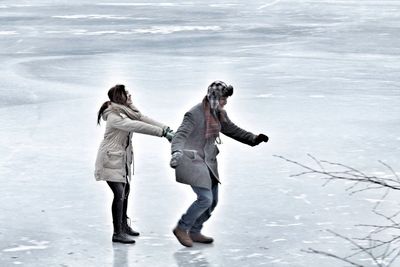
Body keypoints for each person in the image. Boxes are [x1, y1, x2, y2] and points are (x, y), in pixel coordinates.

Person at [170, 81, 269, 247]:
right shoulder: (194, 114)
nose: (226, 102)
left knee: (213, 201)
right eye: (224, 98)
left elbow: (232, 129)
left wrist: (254, 138)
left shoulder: (219, 114)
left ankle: (194, 231)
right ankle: (182, 228)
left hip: (208, 161)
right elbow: (179, 135)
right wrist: (176, 152)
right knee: (205, 199)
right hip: (191, 161)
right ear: (215, 97)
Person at [95, 84, 174, 244]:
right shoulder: (114, 117)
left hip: (120, 157)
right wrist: (162, 134)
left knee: (125, 190)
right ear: (120, 97)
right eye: (126, 94)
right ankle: (117, 233)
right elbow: (137, 125)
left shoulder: (124, 111)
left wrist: (165, 128)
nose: (130, 95)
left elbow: (141, 118)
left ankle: (124, 226)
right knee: (119, 193)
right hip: (110, 158)